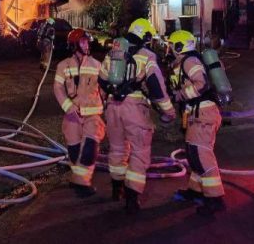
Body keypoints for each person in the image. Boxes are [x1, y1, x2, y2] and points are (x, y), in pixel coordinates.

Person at [99, 18, 176, 212]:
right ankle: (132, 198)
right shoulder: (147, 55)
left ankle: (116, 189)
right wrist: (168, 111)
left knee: (117, 149)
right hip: (134, 107)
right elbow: (156, 87)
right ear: (144, 35)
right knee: (139, 153)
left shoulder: (113, 53)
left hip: (113, 106)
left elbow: (101, 79)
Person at [169, 29, 226, 217]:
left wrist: (180, 95)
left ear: (179, 47)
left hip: (204, 114)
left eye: (171, 45)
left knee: (202, 157)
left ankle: (215, 199)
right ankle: (195, 191)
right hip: (197, 114)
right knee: (194, 156)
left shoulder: (190, 61)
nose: (169, 49)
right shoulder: (185, 62)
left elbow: (201, 84)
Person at [53, 28, 105, 197]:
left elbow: (104, 91)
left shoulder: (97, 65)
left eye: (87, 41)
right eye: (83, 41)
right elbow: (58, 88)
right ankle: (78, 178)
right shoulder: (63, 66)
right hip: (72, 115)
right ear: (74, 45)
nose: (87, 44)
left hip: (92, 115)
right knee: (74, 150)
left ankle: (82, 183)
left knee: (90, 146)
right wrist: (68, 106)